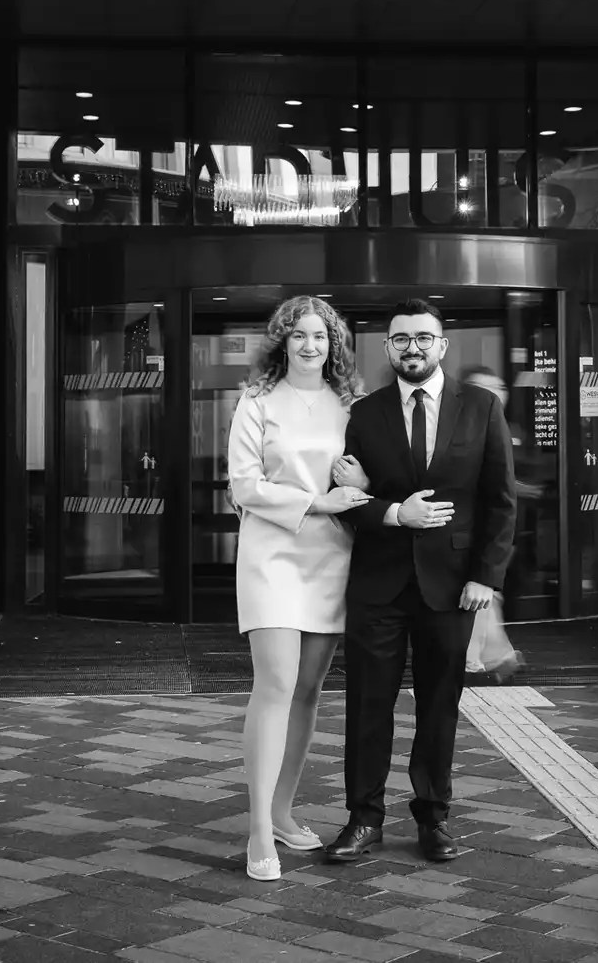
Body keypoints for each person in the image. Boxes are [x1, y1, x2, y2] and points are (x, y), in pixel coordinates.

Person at [322, 299, 516, 864]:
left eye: (423, 338)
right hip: (378, 584)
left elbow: (499, 502)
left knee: (439, 706)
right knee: (367, 705)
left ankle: (433, 818)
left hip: (453, 586)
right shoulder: (365, 413)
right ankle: (363, 819)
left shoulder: (480, 407)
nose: (413, 347)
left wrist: (487, 576)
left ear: (442, 346)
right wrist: (387, 507)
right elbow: (347, 505)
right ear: (387, 348)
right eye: (401, 338)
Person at [227, 295, 371, 882]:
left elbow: (372, 472)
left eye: (320, 336)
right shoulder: (257, 400)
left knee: (308, 690)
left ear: (334, 343)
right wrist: (318, 500)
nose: (310, 345)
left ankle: (284, 811)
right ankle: (259, 828)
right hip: (272, 553)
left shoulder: (351, 404)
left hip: (332, 555)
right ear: (281, 342)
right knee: (277, 683)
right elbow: (243, 485)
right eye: (299, 335)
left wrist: (359, 484)